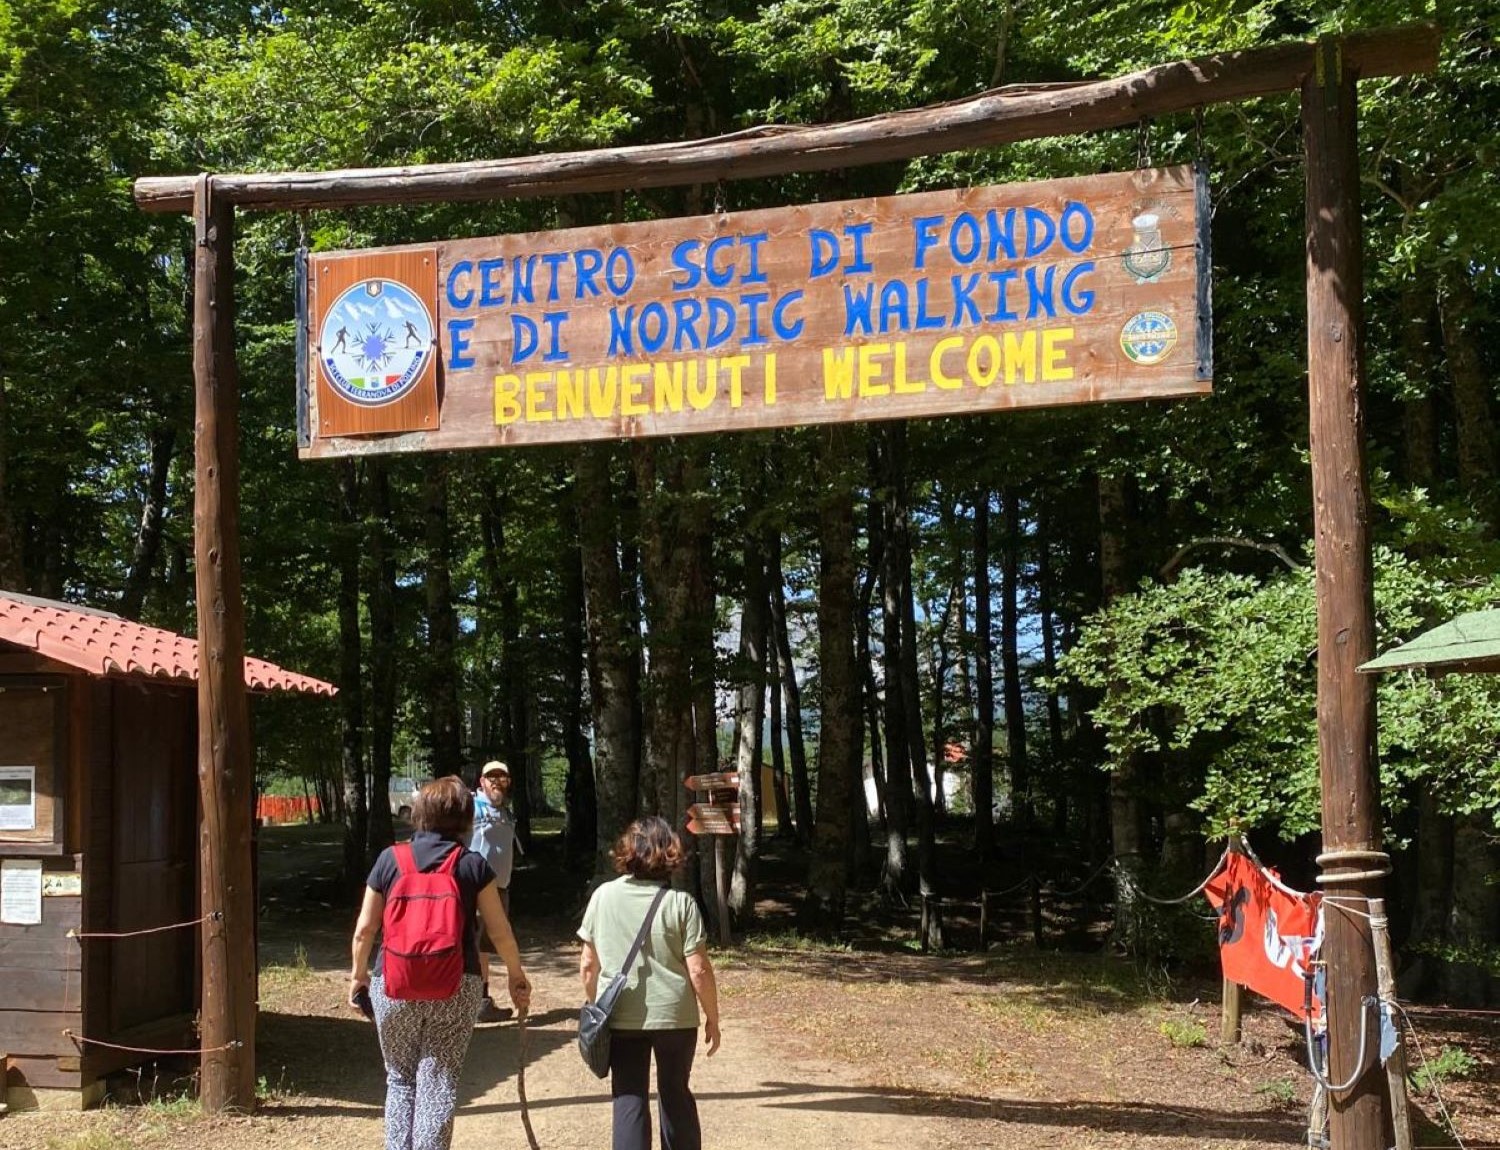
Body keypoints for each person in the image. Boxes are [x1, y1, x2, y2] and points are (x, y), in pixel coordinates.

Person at [350, 776, 531, 1150]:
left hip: (394, 982)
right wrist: (515, 974)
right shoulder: (471, 865)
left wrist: (358, 978)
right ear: (466, 818)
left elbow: (365, 929)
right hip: (456, 984)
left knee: (400, 1079)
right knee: (439, 1080)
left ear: (420, 815)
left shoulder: (390, 859)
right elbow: (498, 931)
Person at [579, 816, 721, 1150]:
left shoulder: (602, 897)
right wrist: (712, 1016)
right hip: (675, 1017)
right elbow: (698, 970)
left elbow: (588, 965)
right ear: (669, 854)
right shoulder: (681, 903)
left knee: (628, 1098)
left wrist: (595, 1004)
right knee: (675, 1094)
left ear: (628, 852)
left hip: (622, 1015)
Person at [470, 759, 521, 1022]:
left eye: (502, 777)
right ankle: (474, 1000)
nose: (496, 781)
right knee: (475, 944)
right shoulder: (471, 808)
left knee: (485, 946)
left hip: (499, 888)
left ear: (508, 782)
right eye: (491, 777)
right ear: (481, 782)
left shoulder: (506, 813)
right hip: (476, 889)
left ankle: (481, 1000)